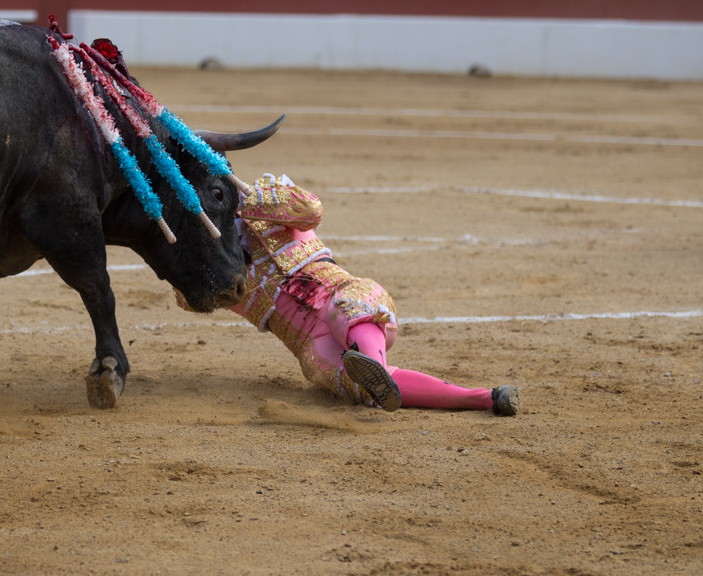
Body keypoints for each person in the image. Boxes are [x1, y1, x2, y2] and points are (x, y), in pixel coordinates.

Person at [181, 173, 519, 415]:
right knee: (346, 380)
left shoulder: (269, 204)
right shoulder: (215, 264)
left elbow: (311, 209)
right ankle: (484, 399)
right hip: (309, 341)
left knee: (347, 309)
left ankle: (372, 366)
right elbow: (189, 298)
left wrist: (247, 199)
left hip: (343, 296)